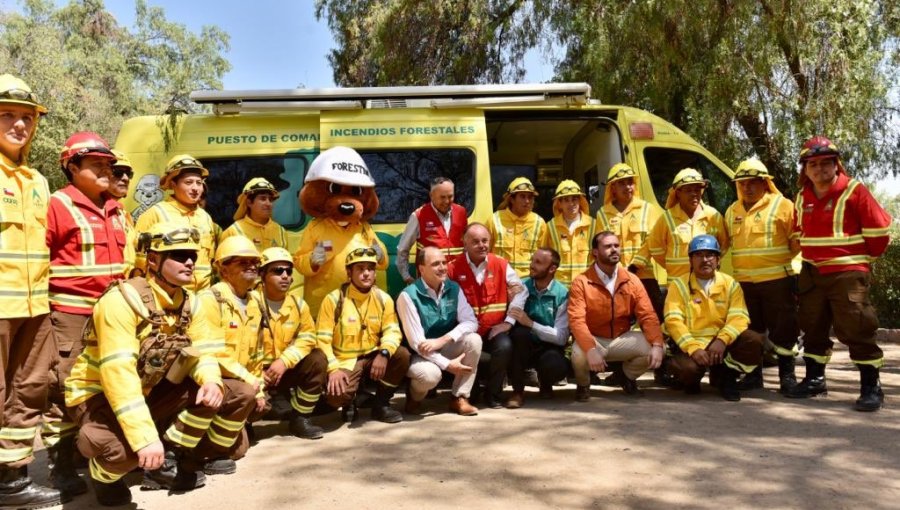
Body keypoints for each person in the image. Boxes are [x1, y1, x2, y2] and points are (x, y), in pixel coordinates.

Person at [64, 223, 253, 506]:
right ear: (153, 260)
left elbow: (202, 353)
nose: (189, 261)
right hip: (99, 395)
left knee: (235, 391)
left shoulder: (191, 303)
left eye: (192, 254)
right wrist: (144, 438)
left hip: (148, 390)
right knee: (121, 453)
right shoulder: (122, 301)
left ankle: (169, 457)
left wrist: (210, 380)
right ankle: (103, 476)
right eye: (178, 254)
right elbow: (119, 376)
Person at [43, 132, 126, 500]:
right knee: (66, 390)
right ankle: (61, 463)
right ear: (72, 167)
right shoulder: (57, 205)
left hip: (115, 317)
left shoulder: (116, 208)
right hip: (72, 315)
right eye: (96, 164)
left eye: (108, 163)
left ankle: (99, 457)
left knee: (112, 386)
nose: (106, 169)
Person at [785, 136, 892, 412]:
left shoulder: (854, 190)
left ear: (836, 165)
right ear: (805, 169)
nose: (819, 169)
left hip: (847, 273)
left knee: (857, 327)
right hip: (812, 272)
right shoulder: (802, 196)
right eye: (813, 164)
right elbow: (798, 231)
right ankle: (815, 379)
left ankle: (871, 387)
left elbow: (879, 233)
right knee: (812, 326)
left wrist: (857, 262)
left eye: (825, 163)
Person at [0, 73, 60, 508]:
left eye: (26, 117)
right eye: (7, 115)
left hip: (36, 306)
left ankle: (13, 480)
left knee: (30, 387)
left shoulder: (37, 181)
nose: (19, 124)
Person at [724, 159, 801, 393]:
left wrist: (791, 272)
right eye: (742, 183)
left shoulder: (783, 205)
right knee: (750, 332)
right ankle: (753, 376)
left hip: (777, 281)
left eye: (753, 183)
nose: (747, 188)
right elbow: (723, 244)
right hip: (744, 284)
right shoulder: (731, 211)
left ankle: (787, 377)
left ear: (765, 183)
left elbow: (797, 243)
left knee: (784, 331)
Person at [195, 236, 268, 474]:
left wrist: (261, 390)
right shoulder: (209, 300)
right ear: (223, 268)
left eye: (254, 262)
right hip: (214, 380)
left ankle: (231, 430)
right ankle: (205, 452)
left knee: (241, 447)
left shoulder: (256, 301)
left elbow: (257, 353)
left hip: (241, 382)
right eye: (242, 262)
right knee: (246, 395)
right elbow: (214, 353)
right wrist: (251, 383)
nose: (251, 267)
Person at [316, 247, 411, 423]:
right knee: (336, 396)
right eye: (360, 268)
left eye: (370, 268)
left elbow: (393, 330)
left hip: (373, 355)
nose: (366, 273)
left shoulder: (383, 298)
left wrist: (384, 353)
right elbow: (322, 340)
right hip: (345, 360)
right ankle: (349, 401)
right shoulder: (333, 300)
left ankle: (381, 404)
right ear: (349, 272)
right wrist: (333, 369)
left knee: (401, 355)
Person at [664, 235, 764, 401]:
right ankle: (691, 381)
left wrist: (722, 340)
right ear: (690, 260)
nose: (705, 260)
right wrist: (693, 348)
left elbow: (739, 317)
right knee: (686, 370)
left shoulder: (730, 283)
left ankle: (727, 376)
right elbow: (673, 321)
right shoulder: (679, 285)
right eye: (698, 255)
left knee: (753, 341)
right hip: (692, 346)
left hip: (721, 345)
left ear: (718, 260)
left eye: (710, 255)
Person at [568, 232, 664, 401]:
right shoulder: (581, 281)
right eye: (608, 246)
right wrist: (590, 349)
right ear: (595, 253)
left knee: (658, 347)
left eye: (616, 246)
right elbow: (577, 321)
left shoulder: (632, 280)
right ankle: (583, 385)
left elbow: (647, 315)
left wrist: (656, 343)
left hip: (621, 338)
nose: (614, 250)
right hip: (594, 339)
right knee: (578, 352)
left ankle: (626, 378)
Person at [447, 223, 527, 408]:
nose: (482, 245)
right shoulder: (453, 268)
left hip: (494, 329)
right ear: (464, 244)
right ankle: (470, 393)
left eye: (485, 241)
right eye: (475, 242)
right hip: (467, 332)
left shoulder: (500, 264)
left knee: (505, 346)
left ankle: (494, 394)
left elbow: (521, 292)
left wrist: (508, 322)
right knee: (472, 394)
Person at [398, 246, 481, 416]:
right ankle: (415, 397)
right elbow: (417, 343)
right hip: (419, 353)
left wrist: (444, 339)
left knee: (474, 340)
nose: (443, 267)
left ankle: (460, 397)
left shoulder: (454, 288)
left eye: (444, 262)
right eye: (436, 264)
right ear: (421, 269)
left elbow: (471, 321)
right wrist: (448, 365)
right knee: (430, 375)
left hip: (444, 346)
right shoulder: (408, 296)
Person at [256, 247, 328, 438]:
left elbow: (308, 337)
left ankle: (300, 418)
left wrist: (284, 362)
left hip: (284, 369)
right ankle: (244, 424)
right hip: (255, 372)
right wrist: (256, 374)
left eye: (289, 271)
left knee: (317, 359)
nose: (285, 276)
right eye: (278, 271)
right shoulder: (249, 303)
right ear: (262, 275)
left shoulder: (298, 304)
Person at [134, 154, 217, 292]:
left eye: (199, 182)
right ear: (173, 183)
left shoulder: (205, 217)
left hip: (202, 293)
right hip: (167, 293)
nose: (196, 188)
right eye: (189, 182)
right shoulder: (155, 213)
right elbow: (139, 260)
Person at [633, 168, 728, 280]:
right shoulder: (667, 218)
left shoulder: (713, 215)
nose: (694, 194)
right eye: (688, 190)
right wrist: (672, 265)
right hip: (677, 283)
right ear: (678, 193)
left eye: (697, 190)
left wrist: (710, 264)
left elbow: (724, 244)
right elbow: (655, 247)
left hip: (707, 283)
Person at [596, 163, 664, 318]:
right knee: (619, 321)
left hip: (644, 275)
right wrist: (618, 270)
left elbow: (651, 241)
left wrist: (635, 266)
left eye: (630, 182)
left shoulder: (647, 209)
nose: (627, 187)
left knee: (653, 318)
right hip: (614, 278)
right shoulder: (603, 213)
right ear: (612, 187)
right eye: (621, 183)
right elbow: (602, 245)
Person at [506, 248, 570, 407]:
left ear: (552, 269)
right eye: (532, 260)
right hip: (523, 345)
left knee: (556, 364)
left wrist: (531, 323)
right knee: (520, 335)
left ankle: (546, 383)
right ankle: (517, 391)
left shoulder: (563, 294)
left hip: (549, 346)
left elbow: (561, 337)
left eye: (538, 262)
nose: (531, 265)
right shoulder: (522, 287)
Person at [396, 177, 467, 285]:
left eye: (450, 196)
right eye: (442, 197)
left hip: (457, 280)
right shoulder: (419, 216)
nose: (447, 201)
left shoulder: (461, 212)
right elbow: (403, 249)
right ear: (431, 196)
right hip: (430, 283)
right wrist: (406, 277)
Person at [487, 177, 548, 278]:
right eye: (522, 196)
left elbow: (543, 257)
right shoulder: (494, 220)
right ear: (511, 199)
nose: (527, 201)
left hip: (529, 283)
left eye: (530, 197)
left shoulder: (539, 223)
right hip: (500, 279)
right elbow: (486, 253)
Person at [542, 180, 595, 287]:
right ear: (559, 204)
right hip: (559, 288)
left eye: (574, 199)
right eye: (566, 200)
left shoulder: (593, 224)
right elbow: (545, 258)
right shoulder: (550, 226)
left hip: (586, 286)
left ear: (580, 201)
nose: (571, 204)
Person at [220, 177, 289, 251]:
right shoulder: (232, 232)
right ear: (249, 202)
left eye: (271, 199)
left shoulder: (281, 231)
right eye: (263, 198)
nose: (268, 203)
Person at [108, 149, 138, 277]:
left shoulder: (124, 214)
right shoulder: (93, 211)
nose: (125, 178)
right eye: (118, 172)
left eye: (128, 174)